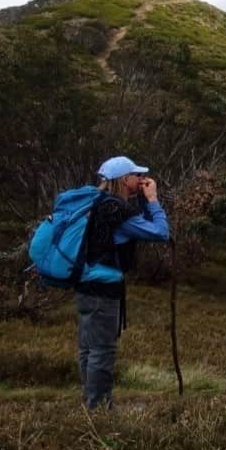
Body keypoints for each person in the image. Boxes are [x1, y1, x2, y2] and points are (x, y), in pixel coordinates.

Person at [77, 156, 171, 408]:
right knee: (102, 350)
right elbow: (161, 232)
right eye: (136, 176)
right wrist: (152, 200)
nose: (141, 180)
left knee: (88, 348)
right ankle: (98, 408)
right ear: (124, 180)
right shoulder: (117, 210)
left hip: (85, 283)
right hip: (104, 287)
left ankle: (90, 403)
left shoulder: (95, 203)